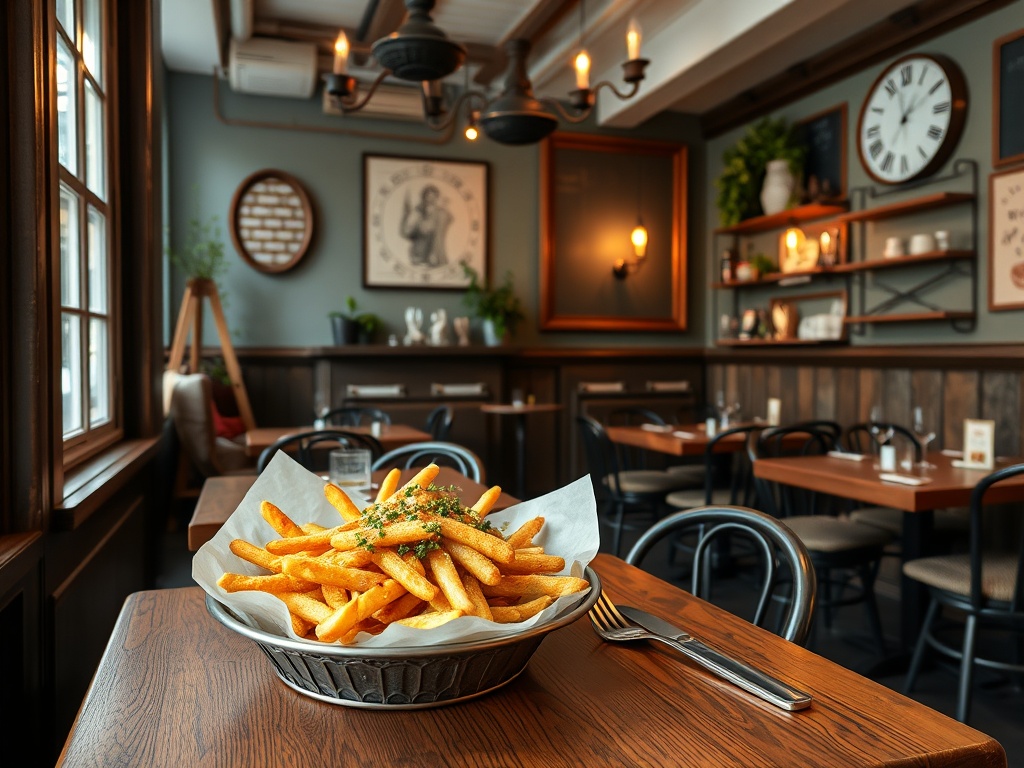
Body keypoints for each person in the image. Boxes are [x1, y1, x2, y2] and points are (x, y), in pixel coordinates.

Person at [399, 184, 453, 268]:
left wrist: (444, 210)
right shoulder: (417, 212)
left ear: (436, 198)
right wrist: (418, 224)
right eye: (428, 196)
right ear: (423, 198)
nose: (430, 199)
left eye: (433, 197)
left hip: (436, 254)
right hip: (419, 253)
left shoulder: (441, 213)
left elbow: (447, 220)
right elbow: (407, 232)